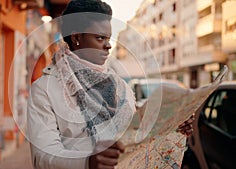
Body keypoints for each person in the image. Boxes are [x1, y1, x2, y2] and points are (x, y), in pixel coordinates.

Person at [27, 0, 194, 169]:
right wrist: (87, 162)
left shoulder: (119, 85)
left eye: (108, 38)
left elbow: (136, 136)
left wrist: (172, 125)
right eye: (100, 38)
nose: (108, 46)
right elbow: (42, 157)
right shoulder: (44, 89)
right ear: (77, 37)